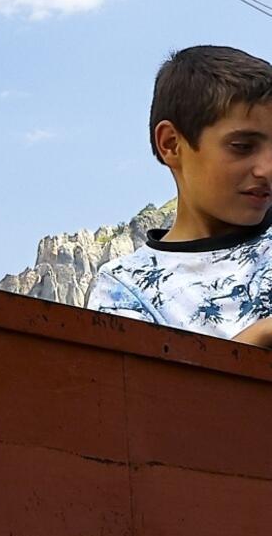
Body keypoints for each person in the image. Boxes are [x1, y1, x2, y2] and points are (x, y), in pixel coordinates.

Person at [87, 44, 272, 338]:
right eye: (242, 147)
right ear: (172, 143)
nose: (267, 169)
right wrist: (256, 339)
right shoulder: (127, 289)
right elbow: (139, 384)